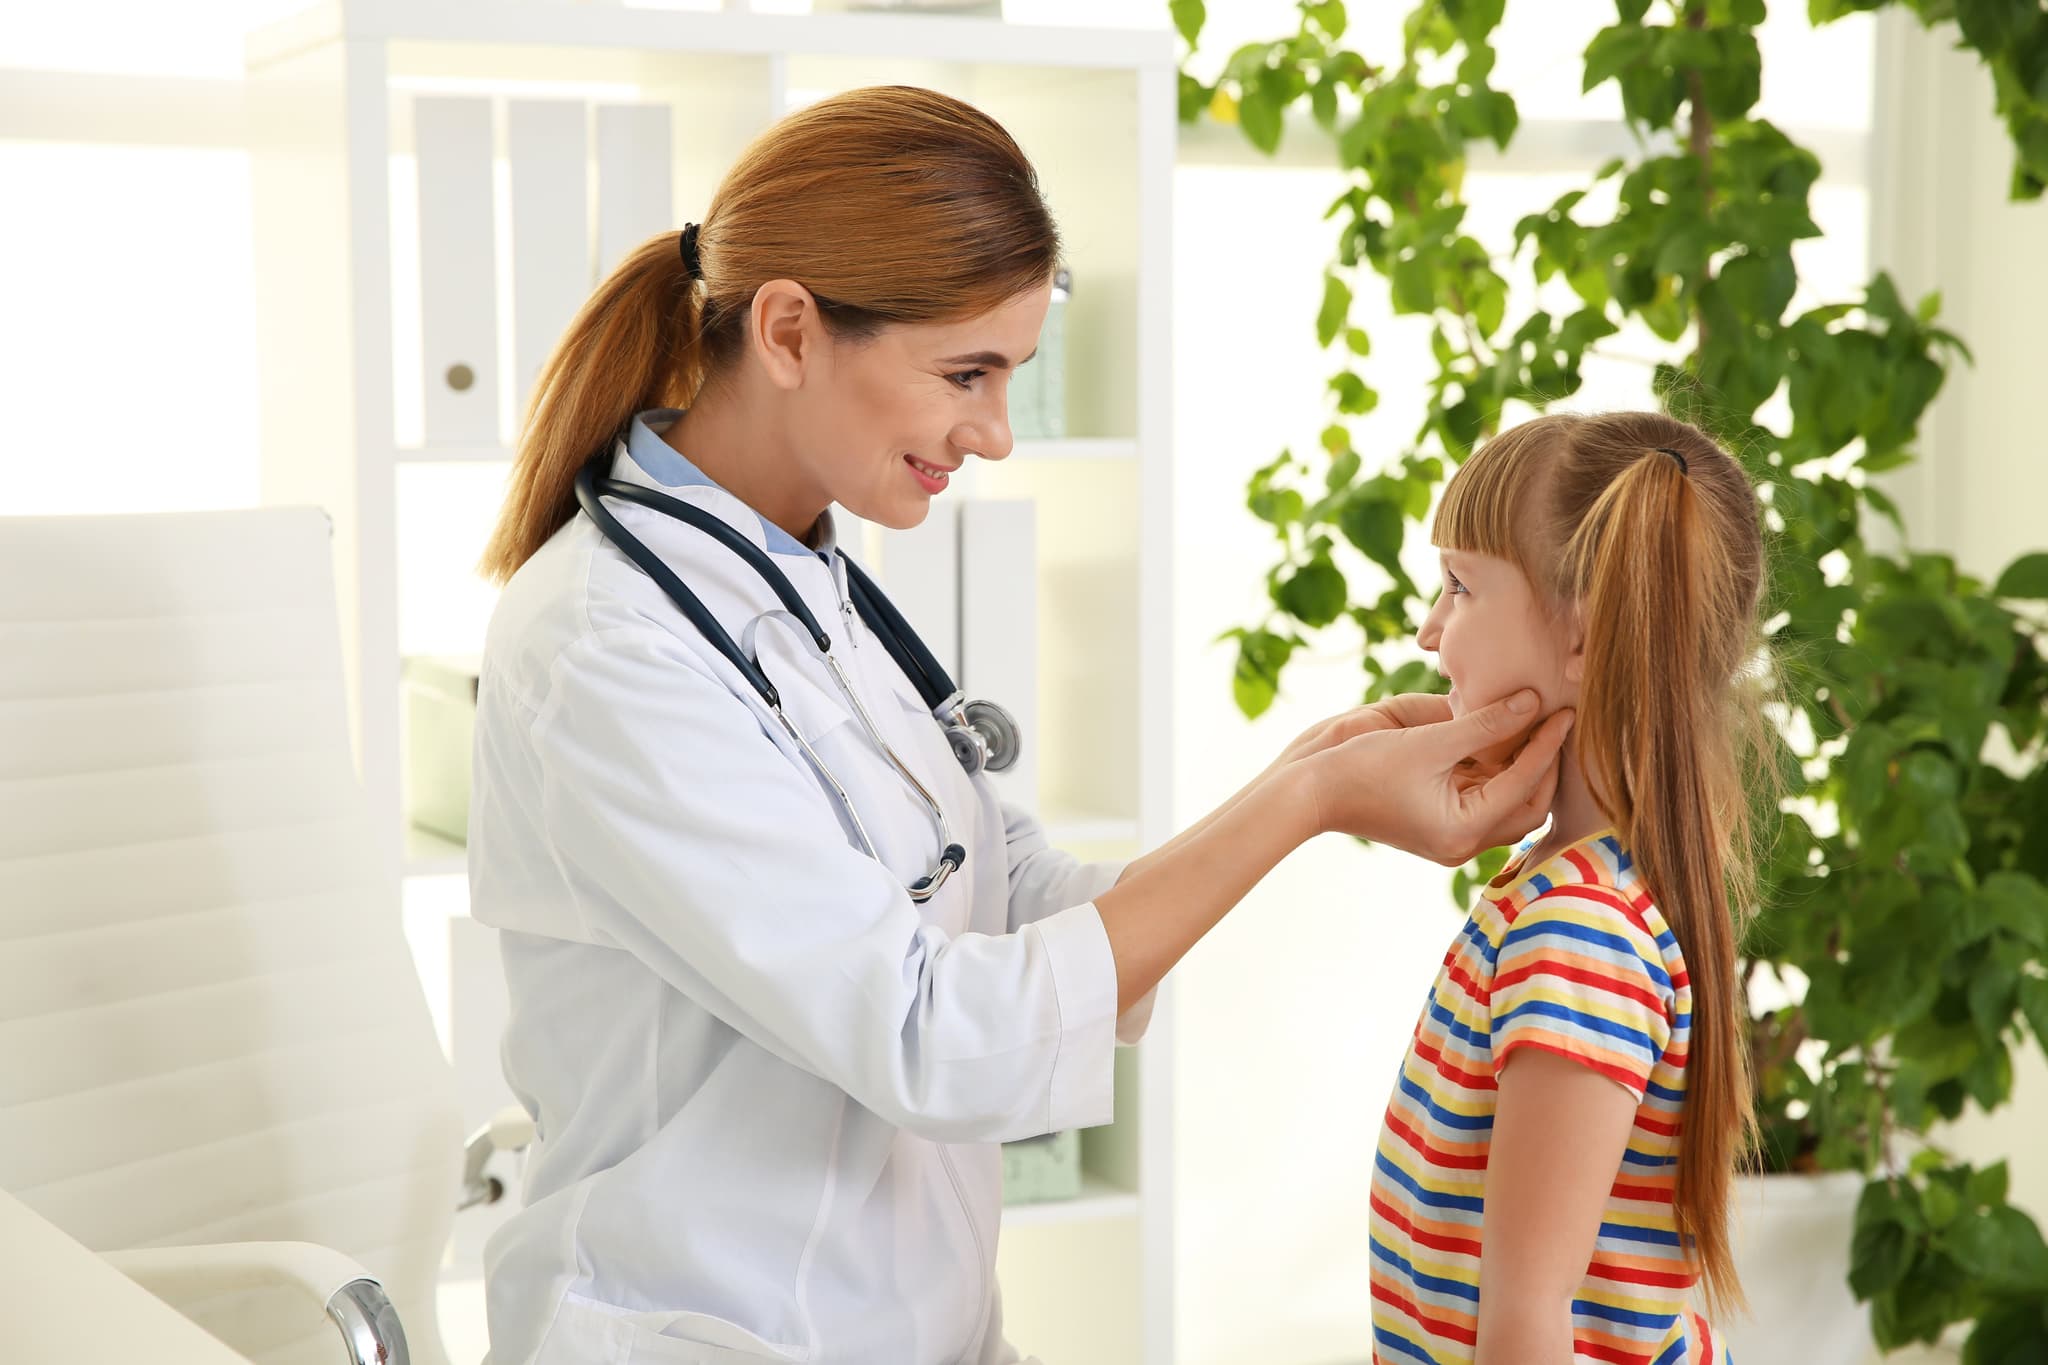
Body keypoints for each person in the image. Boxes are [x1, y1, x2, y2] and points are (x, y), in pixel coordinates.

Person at [467, 84, 1574, 1365]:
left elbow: (1005, 901)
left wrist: (1308, 775)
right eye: (964, 374)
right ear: (787, 329)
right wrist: (1306, 806)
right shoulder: (609, 647)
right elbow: (927, 1032)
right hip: (717, 1333)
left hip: (915, 1328)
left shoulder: (805, 575)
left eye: (1010, 378)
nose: (992, 433)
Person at [1366, 411, 1771, 1364]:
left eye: (1460, 586)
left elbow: (1528, 1315)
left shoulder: (1578, 933)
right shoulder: (1574, 888)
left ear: (1586, 636)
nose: (1429, 629)